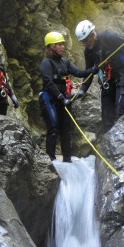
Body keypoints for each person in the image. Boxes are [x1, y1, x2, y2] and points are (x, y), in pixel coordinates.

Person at [75, 20, 124, 132]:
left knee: (119, 113)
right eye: (82, 42)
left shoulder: (107, 37)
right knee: (106, 118)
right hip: (108, 80)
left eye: (85, 40)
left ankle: (122, 144)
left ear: (92, 34)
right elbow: (89, 71)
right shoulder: (88, 51)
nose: (85, 44)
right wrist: (82, 90)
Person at [39, 31, 97, 162]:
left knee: (66, 130)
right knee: (53, 127)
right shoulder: (46, 63)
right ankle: (51, 159)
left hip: (63, 100)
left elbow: (78, 72)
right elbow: (48, 82)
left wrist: (91, 70)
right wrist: (61, 97)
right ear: (51, 47)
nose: (62, 47)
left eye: (63, 44)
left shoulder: (65, 62)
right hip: (49, 99)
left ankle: (67, 159)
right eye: (59, 44)